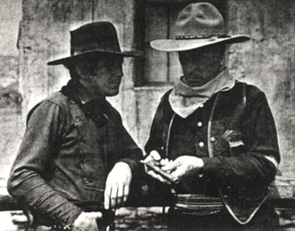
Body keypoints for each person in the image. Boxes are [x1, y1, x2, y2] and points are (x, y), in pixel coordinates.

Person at [143, 3, 280, 231]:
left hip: (241, 223)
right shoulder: (169, 103)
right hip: (183, 223)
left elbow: (266, 164)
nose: (190, 67)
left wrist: (202, 165)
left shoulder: (248, 99)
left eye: (199, 57)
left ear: (219, 53)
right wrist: (153, 161)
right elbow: (154, 150)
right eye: (184, 57)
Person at [7, 22, 143, 231]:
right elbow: (22, 177)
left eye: (120, 65)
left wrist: (124, 166)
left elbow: (135, 155)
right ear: (83, 69)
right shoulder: (54, 110)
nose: (120, 74)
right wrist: (73, 217)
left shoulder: (109, 114)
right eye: (109, 66)